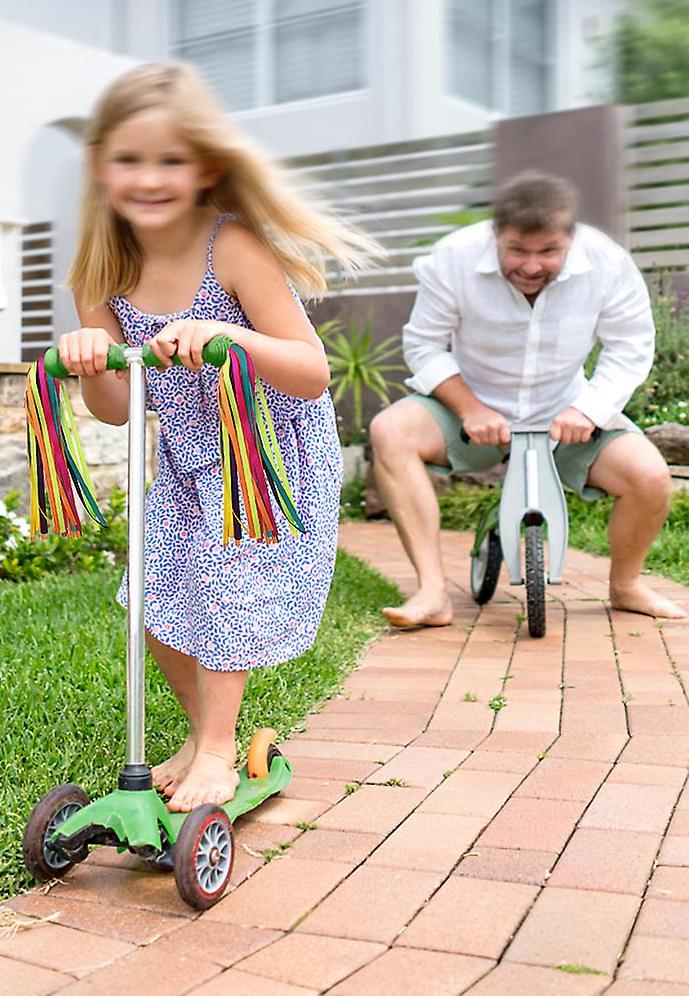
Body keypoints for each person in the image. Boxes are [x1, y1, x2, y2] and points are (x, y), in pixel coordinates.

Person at [55, 62, 378, 812]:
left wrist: (228, 334)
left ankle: (221, 752)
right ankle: (201, 733)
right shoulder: (98, 271)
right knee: (154, 594)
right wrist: (88, 359)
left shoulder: (230, 248)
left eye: (171, 159)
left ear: (205, 165)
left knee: (228, 586)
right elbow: (114, 409)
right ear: (101, 164)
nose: (149, 177)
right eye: (130, 159)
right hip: (187, 456)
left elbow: (310, 371)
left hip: (266, 454)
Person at [370, 170, 686, 627]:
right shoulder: (453, 257)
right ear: (496, 235)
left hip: (566, 415)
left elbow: (631, 345)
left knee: (651, 476)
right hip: (470, 413)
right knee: (390, 430)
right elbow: (423, 346)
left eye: (548, 251)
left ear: (571, 239)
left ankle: (626, 586)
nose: (532, 265)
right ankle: (433, 592)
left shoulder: (607, 262)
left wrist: (589, 410)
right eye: (517, 249)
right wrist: (471, 409)